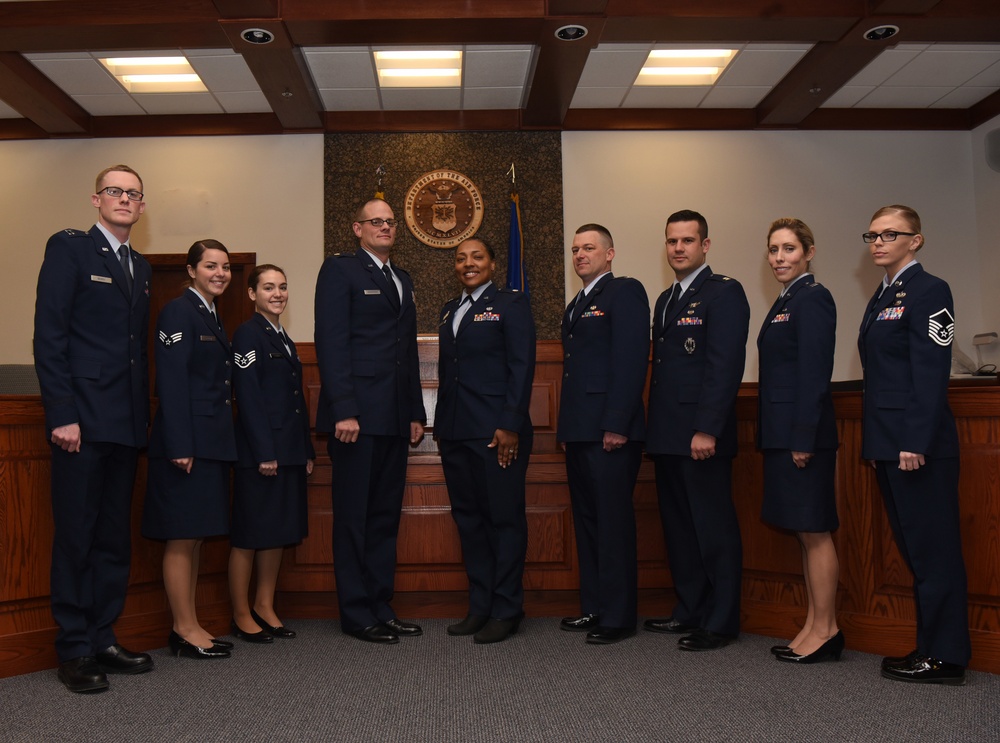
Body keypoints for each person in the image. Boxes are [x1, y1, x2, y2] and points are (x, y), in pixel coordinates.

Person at [33, 164, 154, 693]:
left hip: (124, 424)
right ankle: (75, 648)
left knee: (112, 539)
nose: (124, 199)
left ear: (142, 207)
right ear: (96, 199)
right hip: (80, 422)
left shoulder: (142, 266)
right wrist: (62, 412)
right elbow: (50, 334)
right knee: (77, 539)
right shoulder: (70, 250)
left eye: (133, 194)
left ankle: (103, 634)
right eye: (115, 191)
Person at [859, 205, 970, 685]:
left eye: (890, 234)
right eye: (873, 235)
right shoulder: (882, 295)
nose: (878, 242)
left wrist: (914, 439)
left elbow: (930, 370)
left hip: (916, 446)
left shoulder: (929, 289)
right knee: (917, 552)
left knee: (934, 552)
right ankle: (929, 646)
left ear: (916, 240)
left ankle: (945, 657)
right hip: (890, 443)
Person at [314, 198, 427, 645]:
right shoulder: (340, 271)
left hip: (395, 416)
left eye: (389, 222)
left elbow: (408, 353)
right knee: (353, 518)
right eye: (375, 222)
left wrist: (416, 410)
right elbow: (331, 341)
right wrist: (344, 408)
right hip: (356, 418)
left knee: (383, 517)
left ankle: (381, 606)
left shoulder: (402, 277)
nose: (384, 227)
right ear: (357, 228)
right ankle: (356, 613)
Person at [644, 209, 749, 651]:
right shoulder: (666, 298)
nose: (679, 248)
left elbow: (724, 366)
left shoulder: (724, 293)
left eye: (687, 241)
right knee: (680, 528)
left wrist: (707, 428)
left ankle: (721, 620)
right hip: (668, 433)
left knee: (712, 528)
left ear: (705, 245)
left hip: (701, 436)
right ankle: (690, 608)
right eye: (672, 241)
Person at [435, 238, 536, 644]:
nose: (468, 264)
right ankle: (480, 606)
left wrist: (510, 423)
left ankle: (507, 608)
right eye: (460, 259)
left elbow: (521, 365)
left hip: (497, 433)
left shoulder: (511, 304)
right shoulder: (449, 310)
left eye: (477, 257)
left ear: (493, 265)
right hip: (456, 431)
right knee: (470, 522)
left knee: (504, 520)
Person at [142, 239, 237, 660]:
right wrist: (181, 444)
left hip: (209, 441)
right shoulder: (179, 311)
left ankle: (192, 623)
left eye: (226, 267)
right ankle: (182, 628)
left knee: (196, 536)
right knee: (182, 537)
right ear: (191, 269)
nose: (220, 273)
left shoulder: (212, 313)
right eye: (211, 266)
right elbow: (173, 381)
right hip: (186, 444)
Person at [557, 224, 649, 645]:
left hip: (610, 430)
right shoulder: (577, 302)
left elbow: (631, 361)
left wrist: (616, 422)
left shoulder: (624, 291)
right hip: (580, 429)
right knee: (589, 522)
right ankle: (594, 607)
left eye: (589, 248)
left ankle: (618, 616)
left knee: (612, 523)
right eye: (575, 249)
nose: (580, 255)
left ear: (609, 254)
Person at [757, 218, 842, 664]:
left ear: (808, 252)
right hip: (784, 433)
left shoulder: (814, 298)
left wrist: (802, 437)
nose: (779, 258)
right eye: (773, 250)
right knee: (806, 534)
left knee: (816, 531)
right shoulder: (786, 299)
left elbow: (814, 374)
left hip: (802, 436)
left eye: (788, 249)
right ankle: (813, 624)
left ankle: (826, 629)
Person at [229, 265, 314, 644]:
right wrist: (265, 451)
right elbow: (248, 399)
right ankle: (241, 613)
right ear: (252, 294)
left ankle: (265, 605)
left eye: (282, 286)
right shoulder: (248, 335)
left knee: (277, 532)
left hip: (289, 450)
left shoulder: (282, 337)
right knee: (250, 534)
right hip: (262, 454)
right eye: (268, 287)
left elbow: (295, 402)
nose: (277, 293)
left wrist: (306, 450)